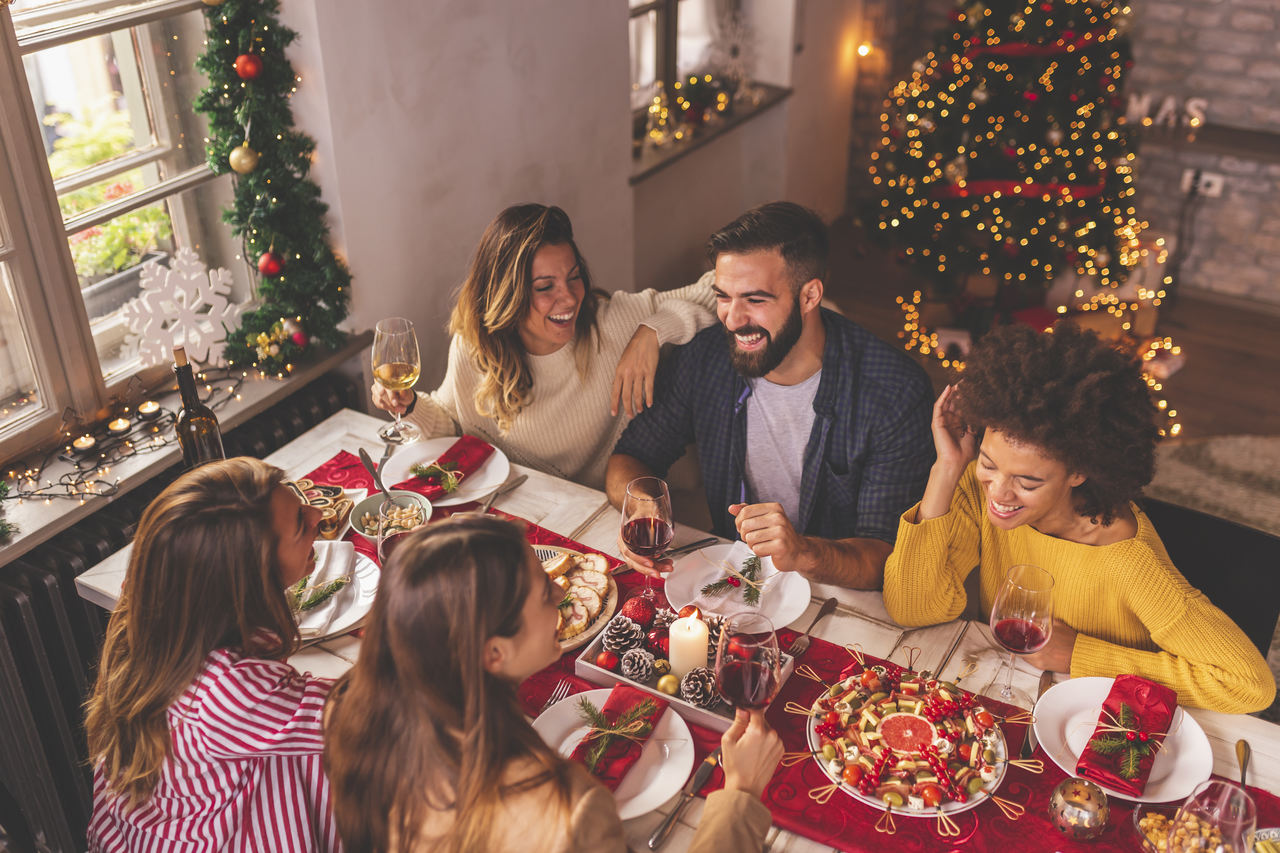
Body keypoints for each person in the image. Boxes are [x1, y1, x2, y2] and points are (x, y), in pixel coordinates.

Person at [324, 515, 781, 852]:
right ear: (493, 653)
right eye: (544, 592)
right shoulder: (570, 816)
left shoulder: (348, 709)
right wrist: (740, 795)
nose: (562, 594)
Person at [882, 322, 1275, 714]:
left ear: (1078, 472)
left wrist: (1079, 654)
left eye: (1027, 482)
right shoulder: (977, 487)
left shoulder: (1130, 562)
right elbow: (912, 609)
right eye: (989, 463)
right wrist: (947, 468)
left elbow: (1249, 686)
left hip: (1103, 718)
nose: (999, 492)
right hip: (1005, 696)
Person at [606, 202, 934, 589]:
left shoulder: (895, 391)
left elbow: (886, 557)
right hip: (734, 583)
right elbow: (631, 458)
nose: (732, 318)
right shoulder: (705, 357)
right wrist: (646, 510)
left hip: (843, 596)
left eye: (756, 300)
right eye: (723, 297)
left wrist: (803, 552)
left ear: (810, 296)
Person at [84, 458, 341, 852]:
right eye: (299, 524)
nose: (317, 513)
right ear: (252, 579)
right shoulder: (230, 692)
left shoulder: (154, 613)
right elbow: (365, 709)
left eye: (302, 502)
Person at [372, 203, 717, 489]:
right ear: (508, 294)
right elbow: (451, 422)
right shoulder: (475, 345)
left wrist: (652, 332)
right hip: (519, 513)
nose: (568, 297)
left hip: (603, 514)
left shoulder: (613, 323)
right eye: (544, 287)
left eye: (573, 277)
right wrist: (410, 404)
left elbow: (719, 284)